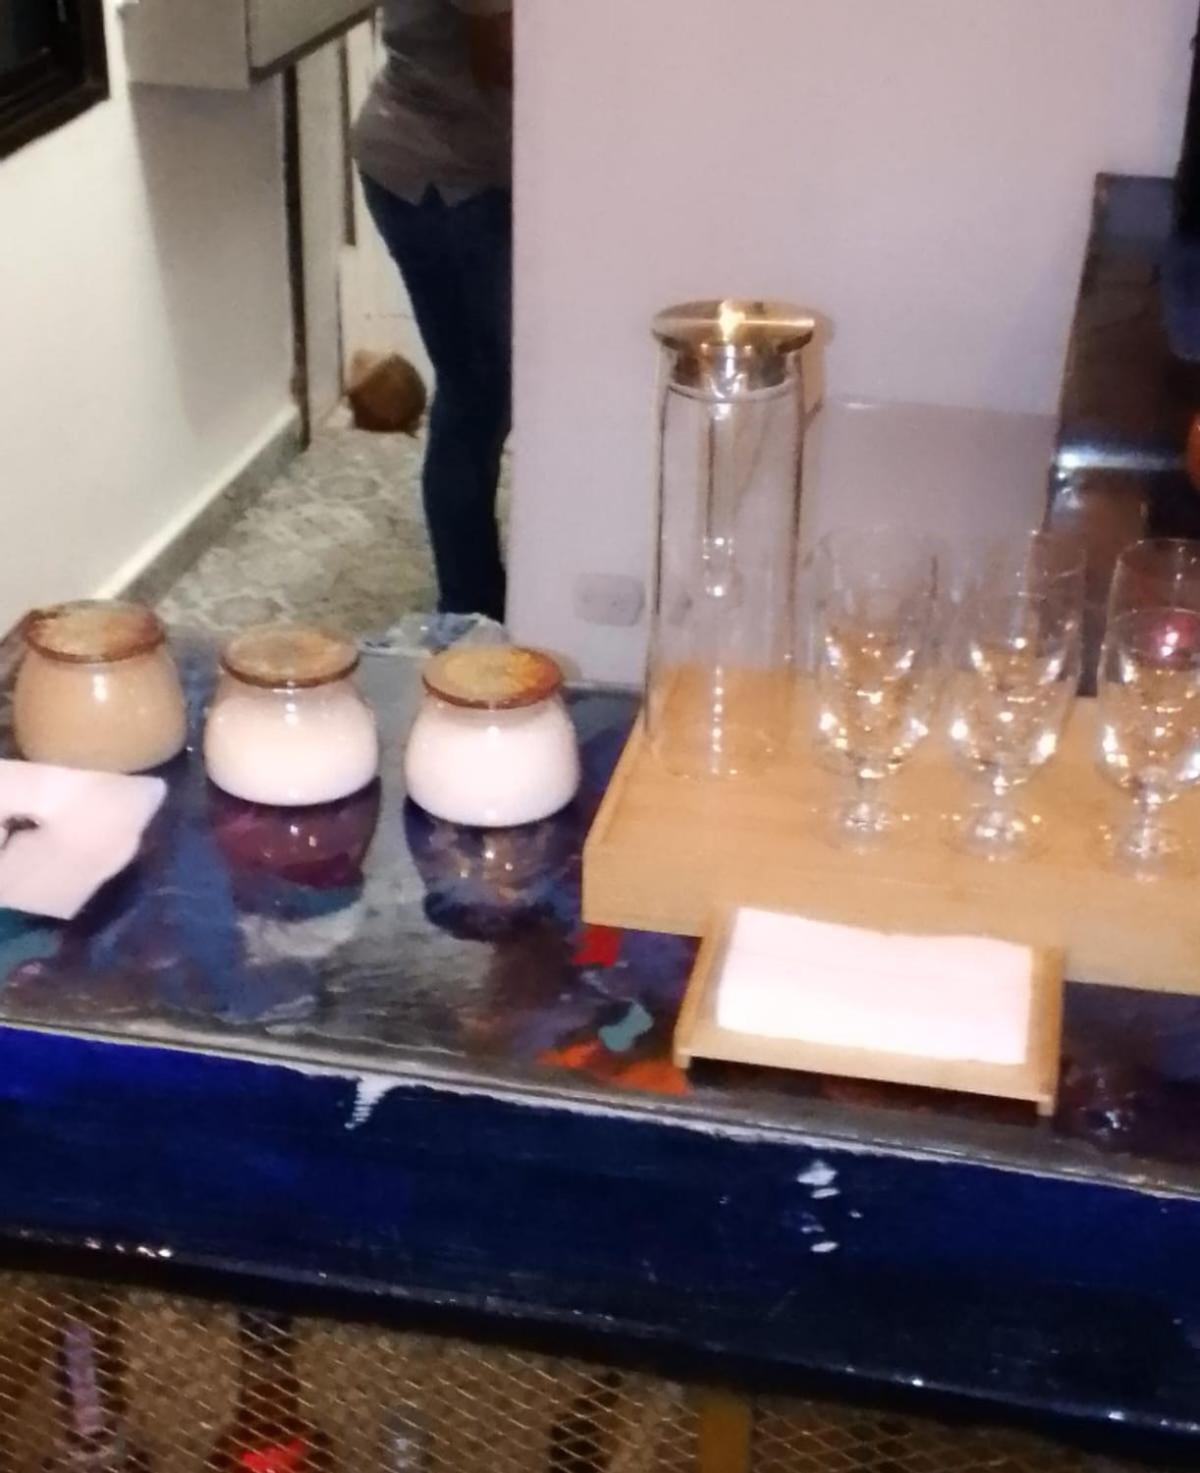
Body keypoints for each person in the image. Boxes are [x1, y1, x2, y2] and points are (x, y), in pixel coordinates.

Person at [353, 0, 513, 622]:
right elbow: (512, 53)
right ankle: (469, 610)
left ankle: (475, 600)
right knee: (477, 394)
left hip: (441, 167)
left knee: (480, 391)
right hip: (442, 179)